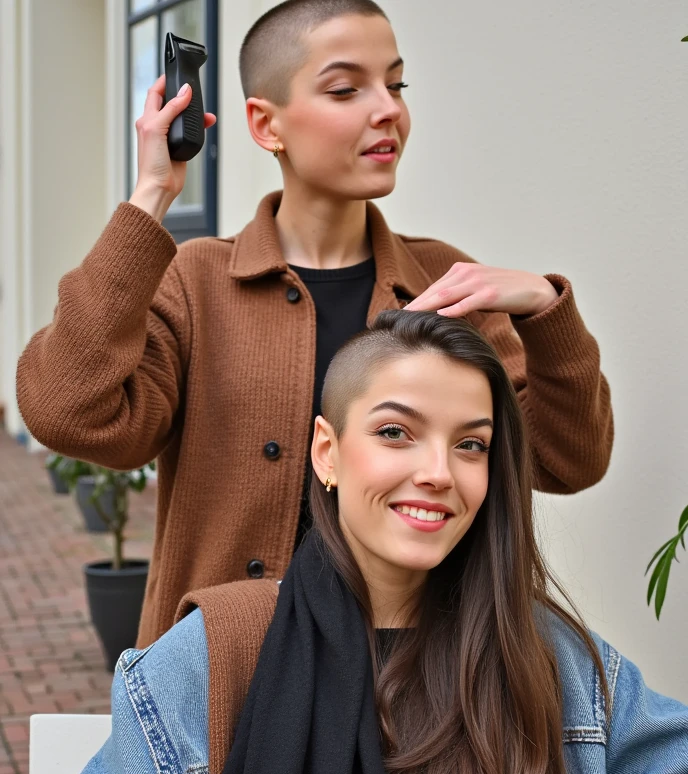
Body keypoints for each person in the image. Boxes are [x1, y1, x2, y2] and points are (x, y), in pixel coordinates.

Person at [23, 311, 687, 774]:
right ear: (327, 452)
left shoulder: (544, 653)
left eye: (471, 445)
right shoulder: (221, 650)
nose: (437, 473)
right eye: (396, 433)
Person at [16, 0, 613, 649]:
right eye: (346, 88)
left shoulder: (449, 285)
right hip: (226, 686)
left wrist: (545, 312)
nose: (387, 109)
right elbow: (66, 410)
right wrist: (151, 196)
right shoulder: (196, 284)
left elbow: (568, 460)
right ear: (265, 124)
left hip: (419, 683)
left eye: (396, 83)